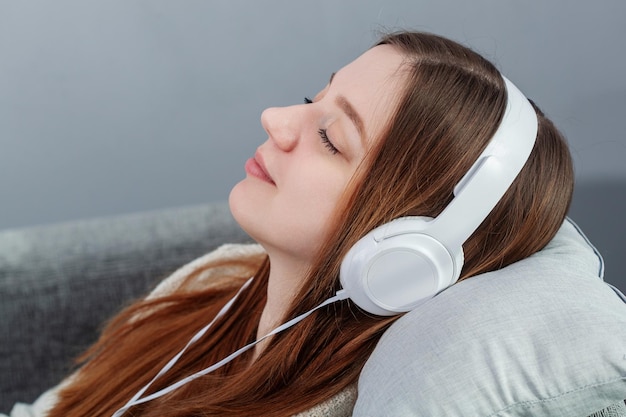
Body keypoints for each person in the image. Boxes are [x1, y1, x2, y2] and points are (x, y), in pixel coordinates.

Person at [25, 31, 574, 416]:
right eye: (314, 98)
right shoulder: (218, 279)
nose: (277, 119)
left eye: (331, 137)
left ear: (410, 246)